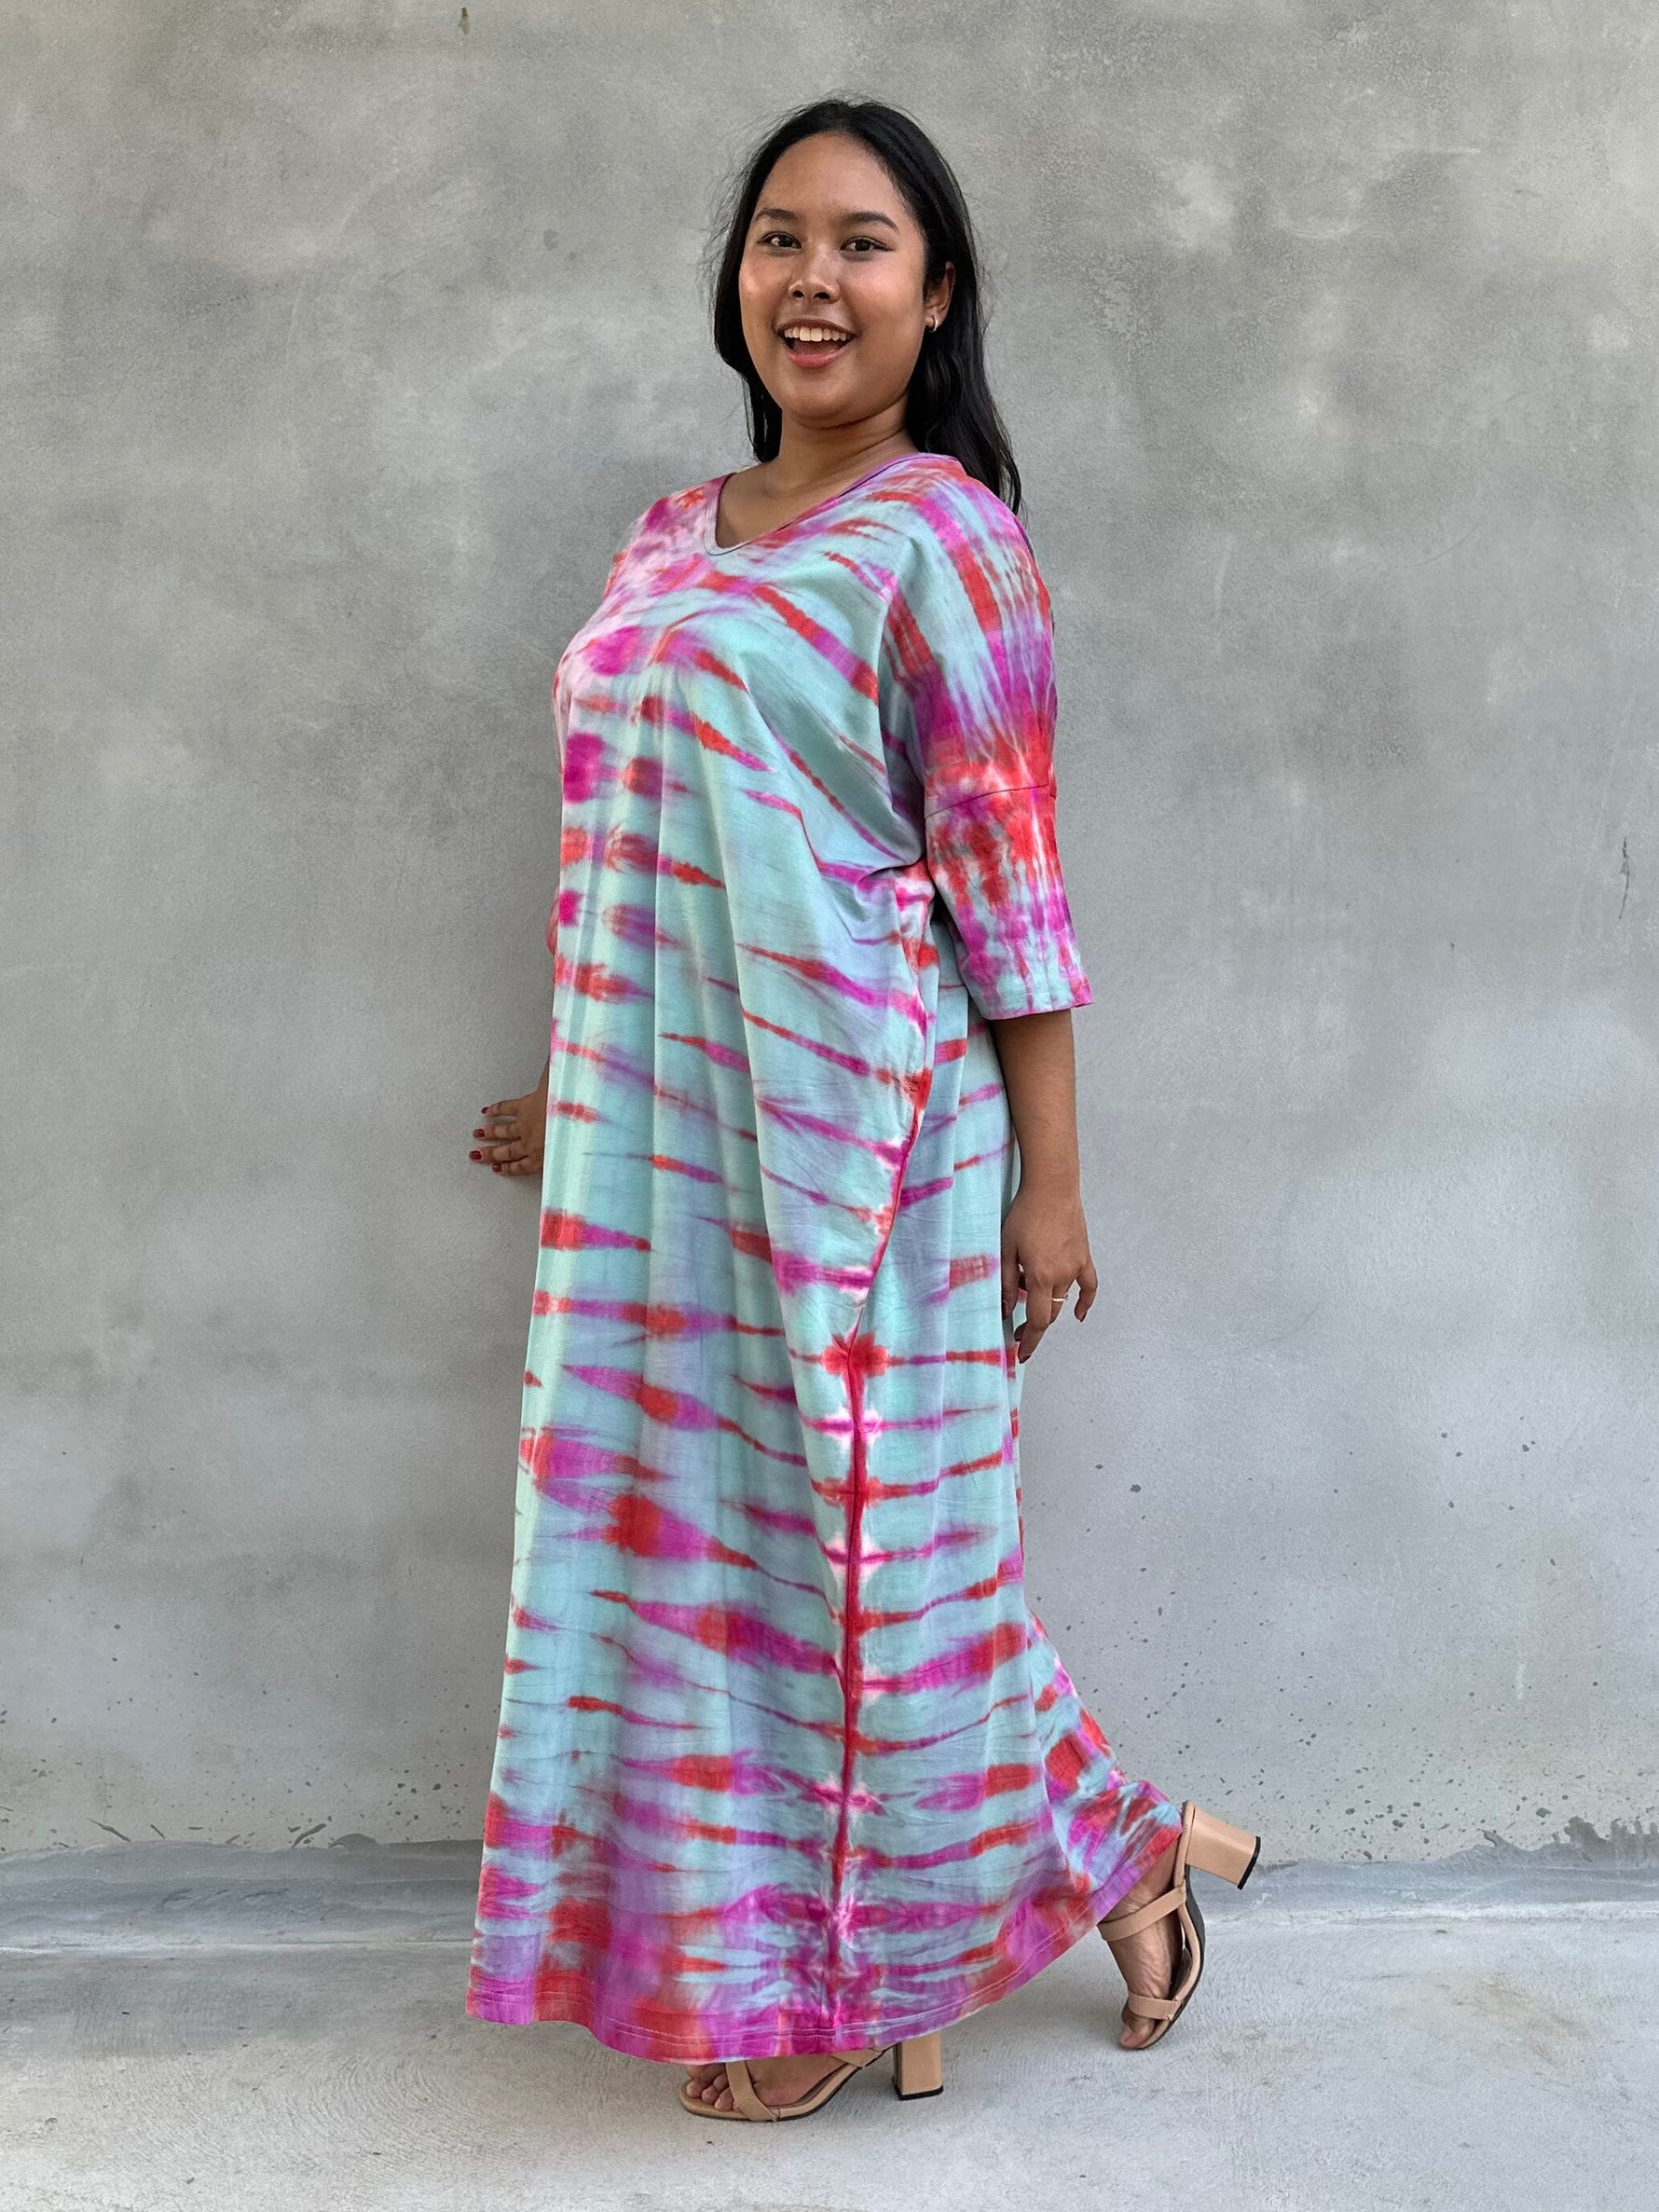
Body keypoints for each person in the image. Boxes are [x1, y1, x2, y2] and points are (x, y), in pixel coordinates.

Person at [461, 95, 1260, 2124]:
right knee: (714, 1571)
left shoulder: (946, 542)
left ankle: (837, 1980)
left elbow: (1012, 890)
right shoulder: (668, 535)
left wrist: (1052, 1186)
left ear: (937, 292)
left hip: (876, 1155)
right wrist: (595, 1094)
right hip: (672, 1171)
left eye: (861, 242)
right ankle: (1126, 1854)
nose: (811, 278)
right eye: (777, 238)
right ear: (736, 279)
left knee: (870, 1583)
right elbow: (639, 850)